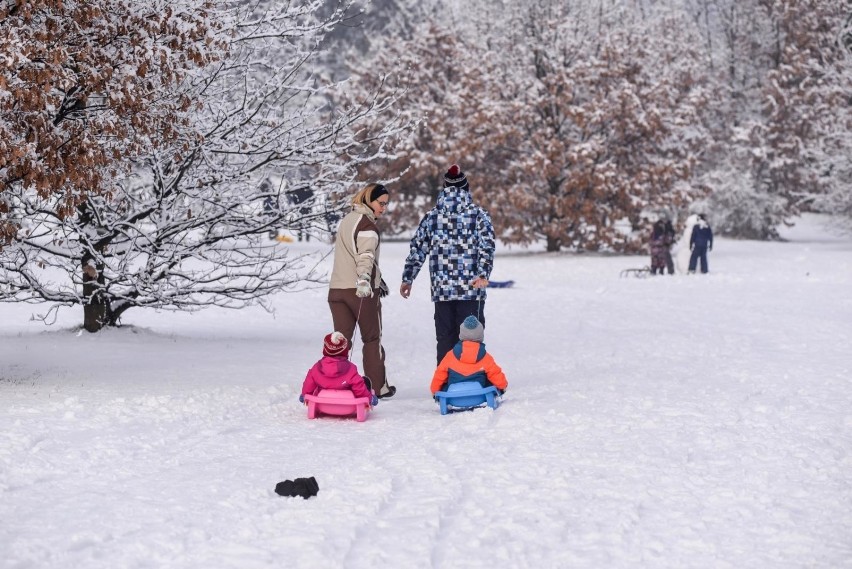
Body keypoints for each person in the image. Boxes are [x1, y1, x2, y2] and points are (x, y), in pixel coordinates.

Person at [400, 164, 496, 364]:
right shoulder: (479, 215)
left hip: (442, 290)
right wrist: (483, 274)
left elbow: (418, 249)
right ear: (466, 188)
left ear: (444, 188)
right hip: (472, 288)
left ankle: (444, 382)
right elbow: (487, 247)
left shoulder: (431, 217)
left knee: (445, 338)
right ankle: (471, 380)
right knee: (471, 337)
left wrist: (408, 278)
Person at [328, 183, 395, 398]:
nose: (383, 208)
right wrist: (365, 279)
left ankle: (333, 384)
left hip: (337, 290)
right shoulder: (367, 226)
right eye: (381, 203)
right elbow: (365, 255)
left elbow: (351, 254)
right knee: (372, 338)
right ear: (369, 200)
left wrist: (378, 277)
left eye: (386, 204)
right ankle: (378, 388)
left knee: (340, 343)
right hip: (360, 292)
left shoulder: (348, 220)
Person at [430, 316, 507, 396]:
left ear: (461, 334)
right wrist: (502, 386)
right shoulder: (486, 357)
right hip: (479, 396)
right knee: (490, 382)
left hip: (454, 396)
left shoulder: (450, 356)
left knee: (444, 384)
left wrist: (434, 391)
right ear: (480, 335)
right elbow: (496, 374)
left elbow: (439, 375)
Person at [300, 332, 378, 406]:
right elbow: (359, 388)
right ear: (345, 351)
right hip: (347, 405)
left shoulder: (317, 368)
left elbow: (309, 383)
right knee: (364, 381)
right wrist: (369, 398)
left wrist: (304, 395)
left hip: (323, 404)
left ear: (325, 349)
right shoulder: (350, 369)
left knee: (316, 384)